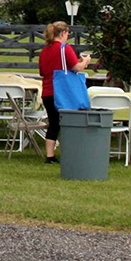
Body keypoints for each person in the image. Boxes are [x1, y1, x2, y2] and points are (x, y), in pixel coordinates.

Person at [38, 20, 91, 165]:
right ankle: (71, 152)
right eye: (68, 33)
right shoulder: (64, 48)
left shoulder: (45, 50)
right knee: (70, 121)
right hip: (63, 92)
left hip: (47, 91)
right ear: (63, 33)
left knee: (53, 124)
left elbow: (43, 71)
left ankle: (50, 156)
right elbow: (76, 68)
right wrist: (85, 61)